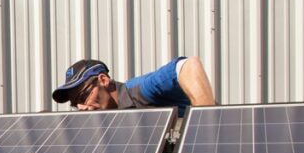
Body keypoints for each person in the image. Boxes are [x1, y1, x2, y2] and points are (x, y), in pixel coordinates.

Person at [51, 56, 216, 115]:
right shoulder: (107, 120)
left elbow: (188, 65)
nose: (81, 107)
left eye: (83, 96)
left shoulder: (139, 89)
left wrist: (203, 125)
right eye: (75, 104)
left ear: (103, 80)